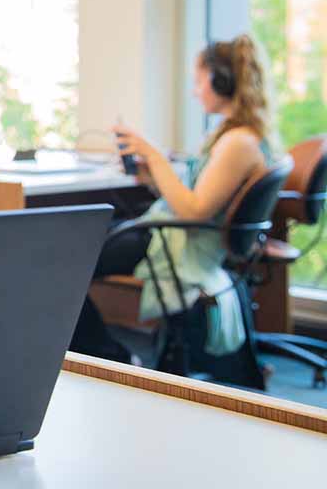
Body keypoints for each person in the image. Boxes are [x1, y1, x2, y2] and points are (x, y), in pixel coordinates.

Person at [70, 34, 275, 364]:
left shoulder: (237, 143)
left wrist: (153, 154)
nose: (196, 91)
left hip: (178, 242)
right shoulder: (234, 137)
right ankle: (107, 354)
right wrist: (154, 175)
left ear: (220, 81)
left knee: (65, 267)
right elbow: (195, 198)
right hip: (172, 234)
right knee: (73, 252)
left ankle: (114, 358)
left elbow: (195, 210)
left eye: (199, 81)